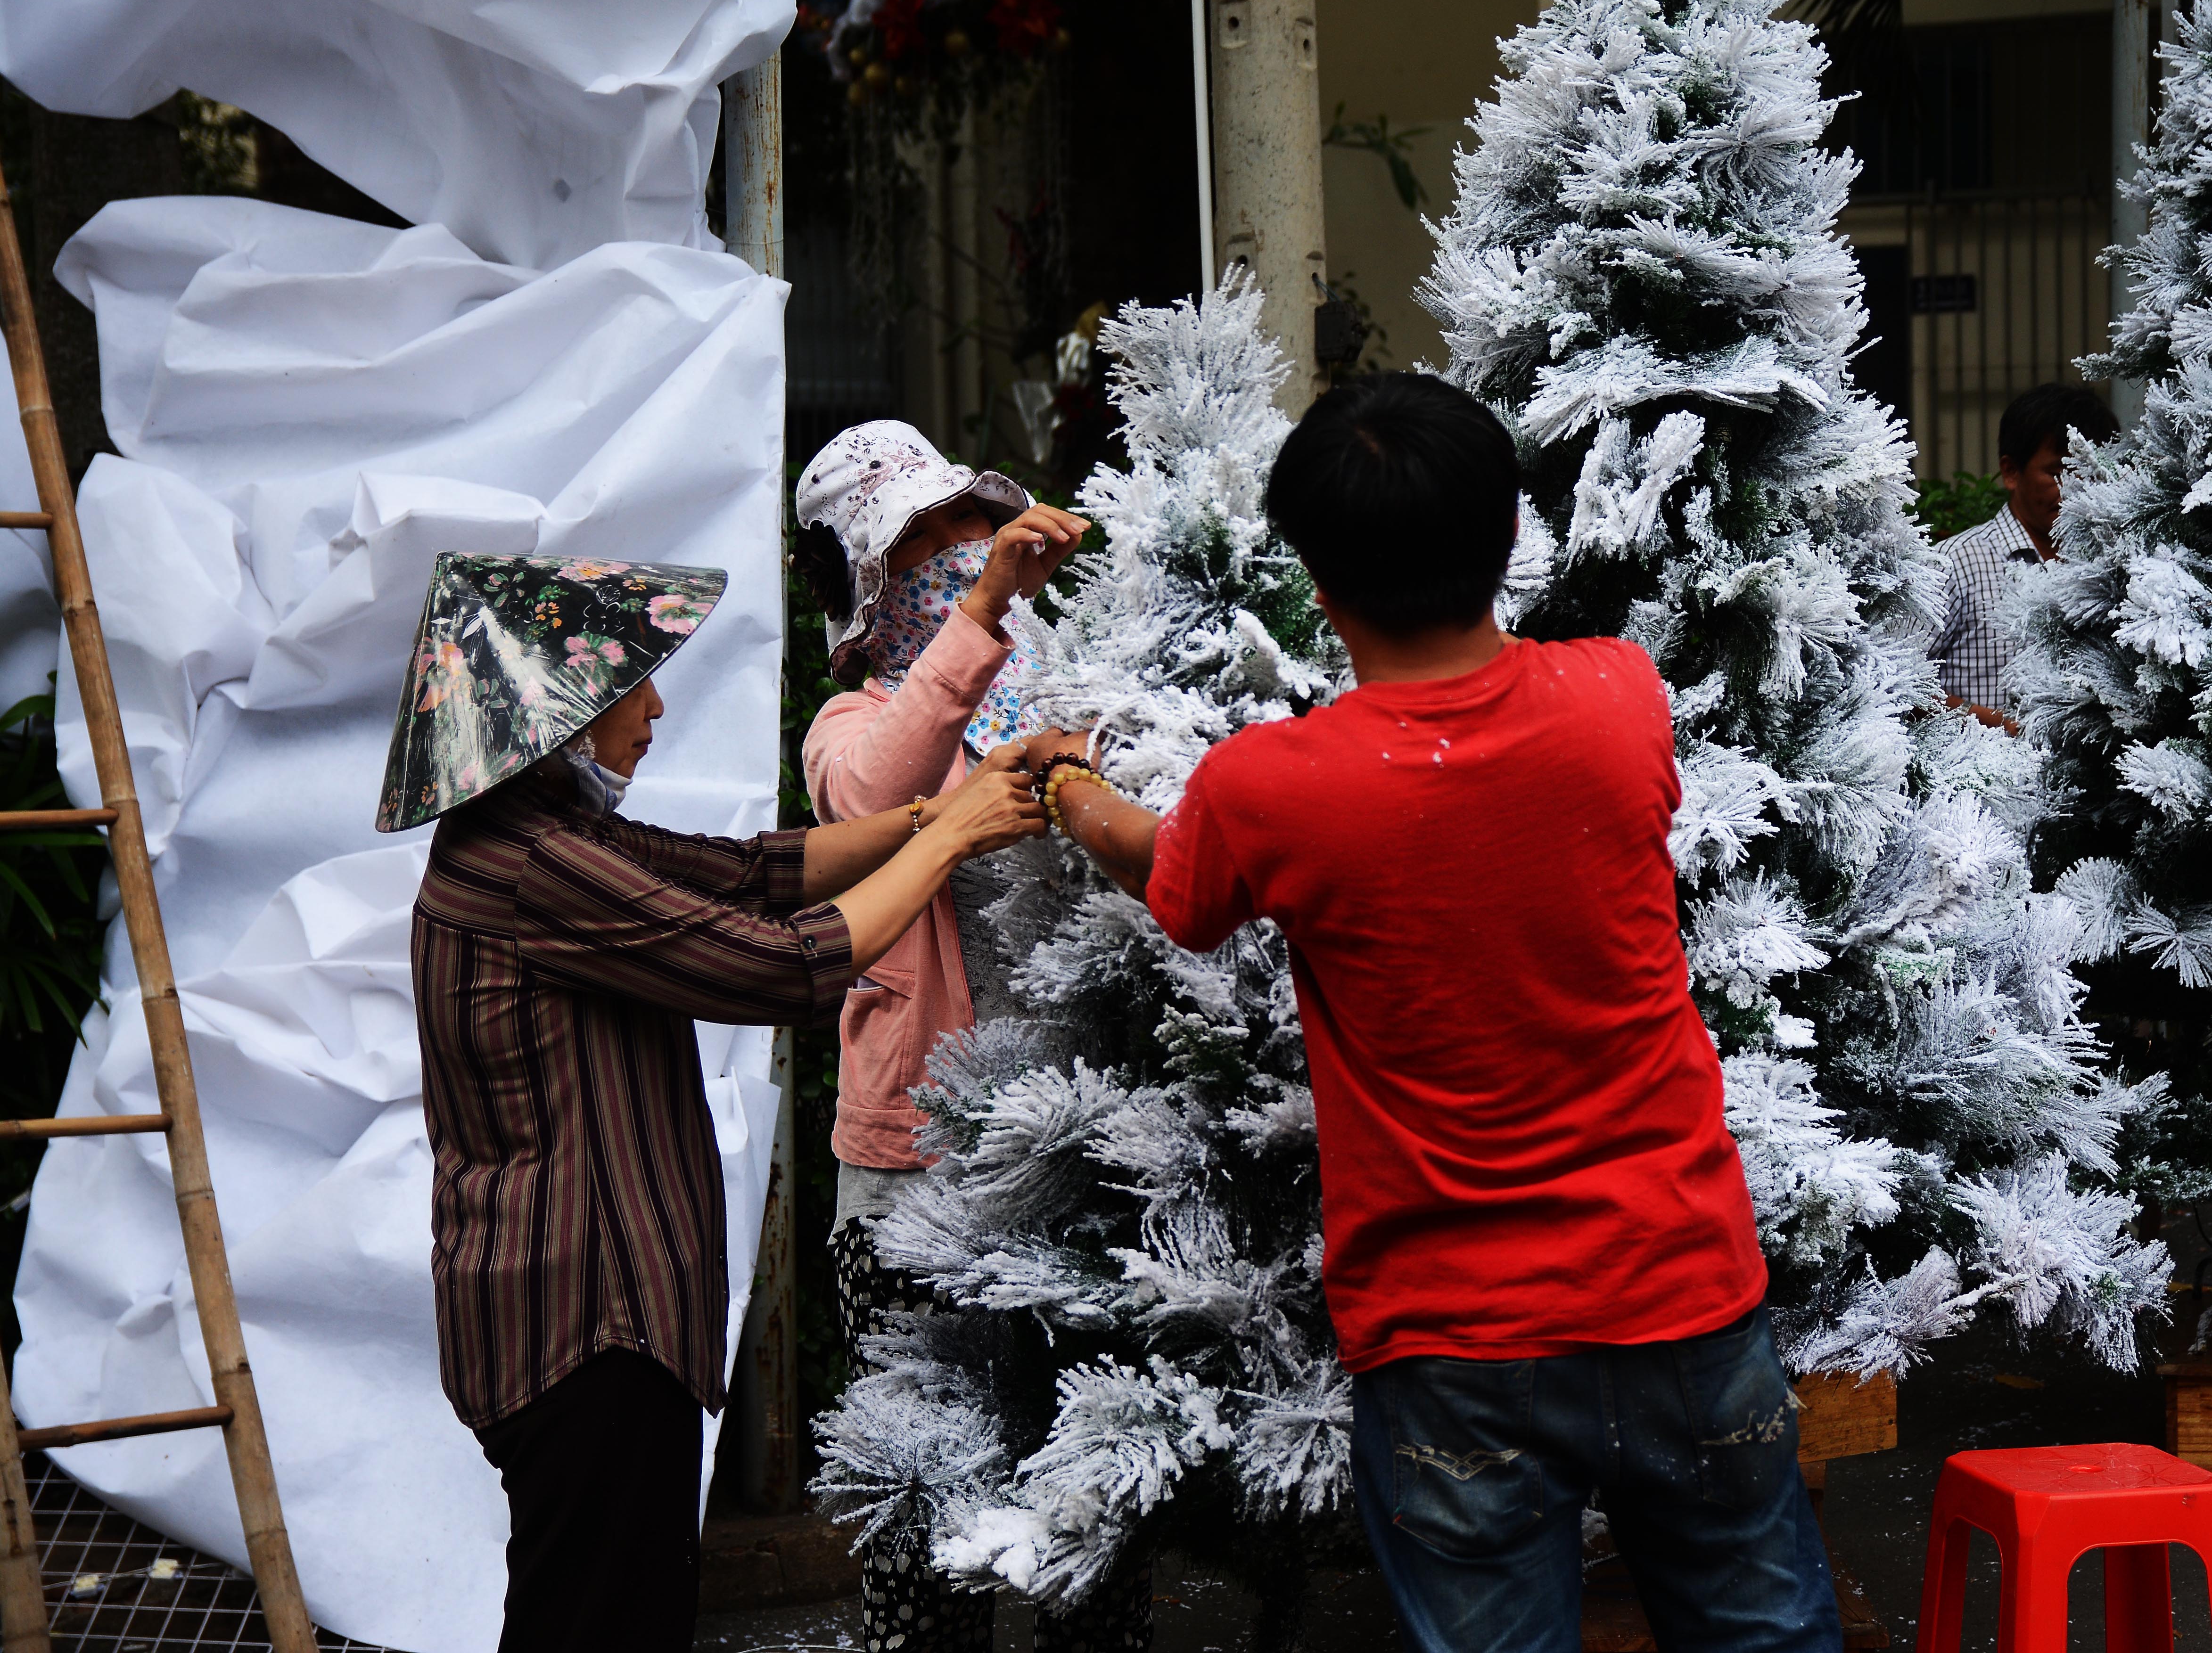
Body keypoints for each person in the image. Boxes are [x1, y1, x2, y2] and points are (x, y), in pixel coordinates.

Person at [1021, 372, 1839, 1653]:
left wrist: (1069, 778)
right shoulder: (1620, 700)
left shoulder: (1275, 792)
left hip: (1458, 1341)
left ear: (1318, 579)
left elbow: (1170, 880)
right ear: (1510, 539)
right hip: (1682, 1289)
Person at [380, 551, 1043, 1653]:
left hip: (572, 1322)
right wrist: (958, 838)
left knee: (590, 1612)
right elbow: (779, 964)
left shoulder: (536, 839)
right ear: (558, 717)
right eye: (629, 688)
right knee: (597, 1624)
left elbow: (751, 871)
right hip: (583, 1329)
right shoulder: (534, 865)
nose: (655, 708)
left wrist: (945, 809)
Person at [789, 422, 1128, 1653]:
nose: (953, 556)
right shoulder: (852, 727)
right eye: (916, 547)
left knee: (1089, 1531)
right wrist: (979, 615)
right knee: (927, 1529)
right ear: (867, 593)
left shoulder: (1068, 714)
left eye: (963, 530)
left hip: (1070, 1172)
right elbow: (883, 801)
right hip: (912, 1186)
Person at [1927, 382, 2119, 730]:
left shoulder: (2111, 566)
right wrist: (2008, 729)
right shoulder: (1955, 563)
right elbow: (1893, 682)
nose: (2076, 488)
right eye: (2058, 472)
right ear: (2012, 472)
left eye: (2089, 472)